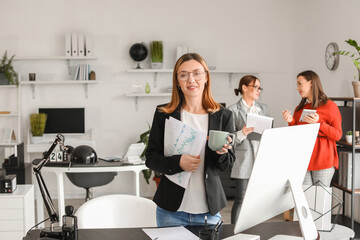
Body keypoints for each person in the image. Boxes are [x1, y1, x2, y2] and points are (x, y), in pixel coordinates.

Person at [145, 53, 235, 227]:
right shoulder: (164, 114)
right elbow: (151, 158)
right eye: (184, 75)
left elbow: (227, 165)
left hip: (209, 213)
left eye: (197, 73)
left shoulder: (224, 116)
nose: (191, 80)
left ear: (206, 77)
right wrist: (178, 162)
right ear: (177, 81)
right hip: (170, 212)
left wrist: (221, 153)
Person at [282, 70, 342, 187]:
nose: (297, 88)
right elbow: (295, 134)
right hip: (302, 159)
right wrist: (291, 121)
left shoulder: (330, 106)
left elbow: (338, 135)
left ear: (311, 83)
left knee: (319, 201)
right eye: (297, 84)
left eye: (300, 84)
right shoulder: (299, 109)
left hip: (323, 160)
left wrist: (319, 122)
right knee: (305, 200)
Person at [227, 75, 269, 224]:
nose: (258, 90)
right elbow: (229, 139)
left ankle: (255, 230)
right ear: (244, 88)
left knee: (258, 200)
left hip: (261, 159)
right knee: (241, 198)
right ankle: (233, 231)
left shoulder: (263, 108)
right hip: (244, 160)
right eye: (255, 87)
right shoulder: (232, 110)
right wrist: (242, 133)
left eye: (259, 88)